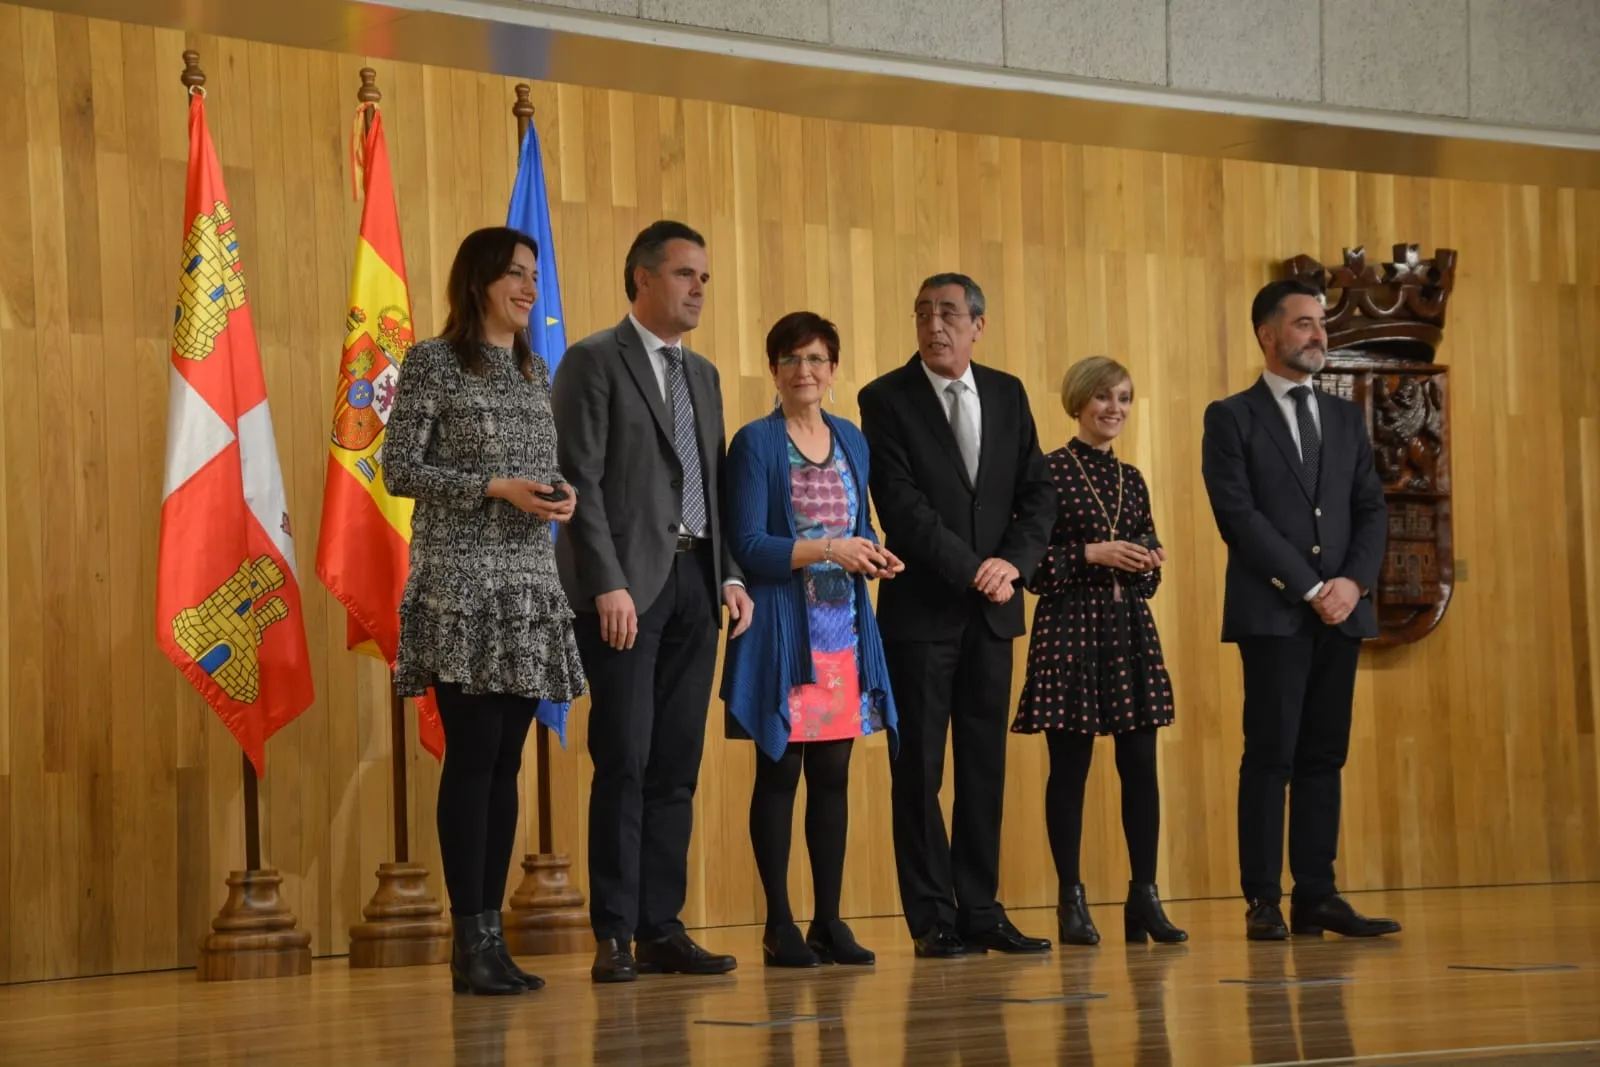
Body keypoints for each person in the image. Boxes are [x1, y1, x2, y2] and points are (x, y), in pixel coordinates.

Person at [385, 225, 587, 996]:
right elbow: (400, 466)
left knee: (506, 763)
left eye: (535, 275)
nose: (530, 288)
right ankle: (465, 940)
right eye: (515, 274)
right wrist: (494, 487)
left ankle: (492, 940)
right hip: (462, 588)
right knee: (472, 761)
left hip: (529, 587)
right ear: (477, 282)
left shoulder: (536, 370)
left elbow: (541, 465)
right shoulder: (434, 361)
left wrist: (557, 494)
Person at [551, 219, 755, 983]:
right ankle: (613, 932)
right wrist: (605, 579)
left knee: (677, 762)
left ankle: (661, 925)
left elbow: (715, 485)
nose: (699, 288)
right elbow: (580, 479)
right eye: (685, 274)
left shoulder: (701, 374)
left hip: (698, 585)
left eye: (704, 276)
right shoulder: (592, 361)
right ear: (641, 278)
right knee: (626, 759)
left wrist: (730, 575)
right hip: (625, 590)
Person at [858, 272, 1056, 958]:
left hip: (995, 611)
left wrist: (1012, 564)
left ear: (978, 324)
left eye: (948, 312)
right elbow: (902, 506)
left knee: (983, 767)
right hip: (923, 614)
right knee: (919, 771)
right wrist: (972, 567)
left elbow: (1038, 495)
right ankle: (931, 914)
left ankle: (981, 908)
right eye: (923, 312)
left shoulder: (1008, 392)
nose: (934, 324)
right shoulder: (884, 398)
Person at [1200, 278, 1399, 940]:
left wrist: (1352, 583)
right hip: (1277, 613)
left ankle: (1317, 892)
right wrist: (1312, 587)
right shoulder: (1230, 416)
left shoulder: (1344, 417)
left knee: (1324, 754)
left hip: (1343, 612)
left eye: (1321, 324)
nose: (1319, 334)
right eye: (1305, 323)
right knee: (1271, 753)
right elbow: (1238, 516)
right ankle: (1263, 898)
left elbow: (1371, 507)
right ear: (1267, 333)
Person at [721, 311, 904, 969]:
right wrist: (830, 547)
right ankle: (779, 922)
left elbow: (862, 525)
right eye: (793, 359)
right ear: (774, 369)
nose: (806, 371)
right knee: (781, 773)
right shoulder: (756, 443)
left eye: (818, 359)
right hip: (782, 633)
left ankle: (829, 919)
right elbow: (745, 545)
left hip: (844, 634)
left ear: (834, 370)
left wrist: (876, 554)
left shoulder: (853, 439)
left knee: (834, 777)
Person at [1013, 356, 1186, 947]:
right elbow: (1029, 566)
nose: (1114, 409)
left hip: (1129, 630)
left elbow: (1148, 562)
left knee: (1141, 768)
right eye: (1104, 397)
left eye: (1125, 398)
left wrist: (1145, 560)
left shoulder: (1131, 478)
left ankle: (1144, 896)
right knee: (1071, 770)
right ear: (1080, 401)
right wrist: (1092, 554)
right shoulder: (1048, 471)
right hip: (1068, 630)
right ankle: (1072, 900)